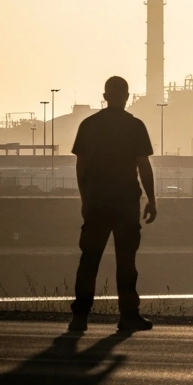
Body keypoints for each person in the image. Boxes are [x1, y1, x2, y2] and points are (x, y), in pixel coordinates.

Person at [68, 76, 157, 333]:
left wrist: (85, 199)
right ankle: (128, 316)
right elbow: (143, 165)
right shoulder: (135, 126)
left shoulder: (88, 125)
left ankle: (80, 317)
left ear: (105, 96)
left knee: (89, 260)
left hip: (97, 201)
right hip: (126, 202)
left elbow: (81, 166)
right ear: (127, 96)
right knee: (126, 262)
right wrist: (151, 199)